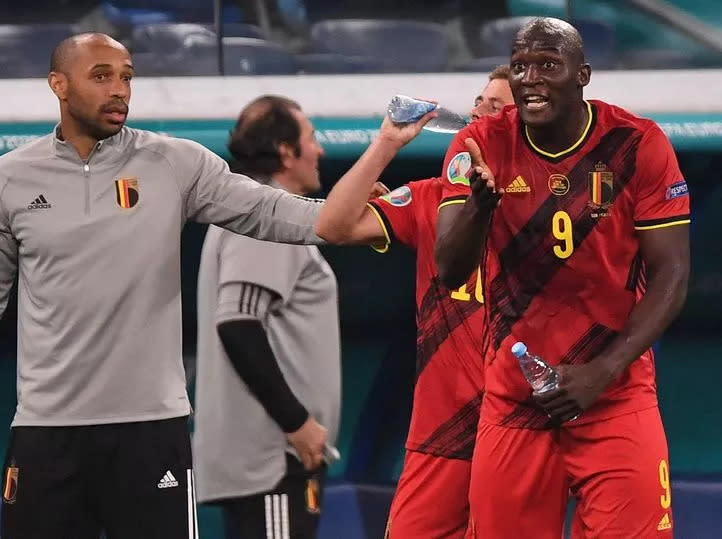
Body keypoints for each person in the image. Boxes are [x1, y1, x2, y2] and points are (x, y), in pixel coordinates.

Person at [0, 33, 430, 539]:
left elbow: (270, 210)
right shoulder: (8, 179)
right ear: (59, 85)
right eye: (101, 76)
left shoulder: (175, 163)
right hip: (46, 434)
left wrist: (356, 214)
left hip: (150, 433)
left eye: (127, 77)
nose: (119, 89)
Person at [434, 17, 689, 538]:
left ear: (583, 75)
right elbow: (449, 269)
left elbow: (672, 273)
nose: (530, 77)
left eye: (548, 64)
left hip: (615, 393)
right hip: (515, 399)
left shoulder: (637, 144)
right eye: (522, 66)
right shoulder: (479, 144)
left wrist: (604, 370)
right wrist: (479, 208)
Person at [312, 67, 513, 538]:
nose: (479, 114)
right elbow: (333, 225)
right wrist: (387, 143)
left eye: (496, 107)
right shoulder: (430, 198)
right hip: (440, 435)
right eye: (479, 103)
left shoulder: (546, 209)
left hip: (513, 431)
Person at [195, 95, 363, 539]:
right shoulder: (263, 216)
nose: (320, 150)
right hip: (273, 462)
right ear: (286, 151)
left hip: (275, 459)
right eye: (311, 138)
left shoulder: (257, 211)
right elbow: (238, 325)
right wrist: (298, 424)